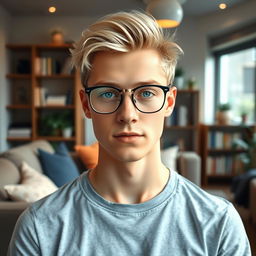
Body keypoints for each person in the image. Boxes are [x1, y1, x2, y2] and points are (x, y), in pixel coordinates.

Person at [8, 11, 251, 255]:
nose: (127, 114)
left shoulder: (218, 224)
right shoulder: (39, 227)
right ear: (86, 104)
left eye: (146, 92)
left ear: (169, 102)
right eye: (107, 93)